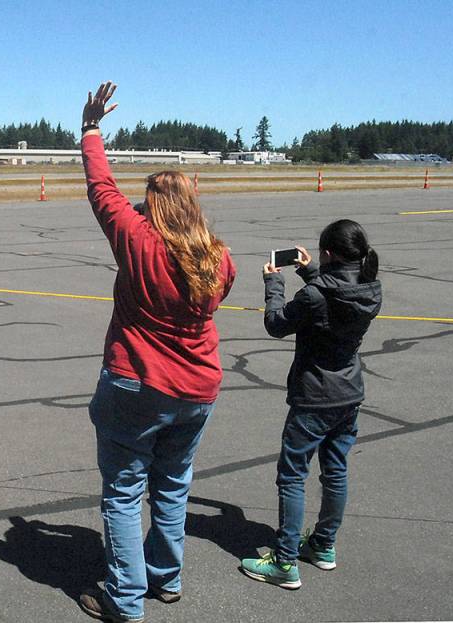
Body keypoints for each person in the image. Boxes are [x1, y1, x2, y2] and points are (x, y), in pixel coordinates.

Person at [75, 82, 237, 623]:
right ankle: (165, 578)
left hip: (137, 382)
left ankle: (124, 599)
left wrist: (91, 128)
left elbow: (102, 189)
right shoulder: (217, 256)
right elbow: (220, 292)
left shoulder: (139, 240)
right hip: (198, 388)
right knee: (172, 484)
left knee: (123, 491)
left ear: (153, 206)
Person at [240, 220, 382, 588]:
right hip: (349, 391)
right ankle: (323, 544)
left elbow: (277, 323)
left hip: (314, 396)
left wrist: (274, 283)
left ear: (330, 254)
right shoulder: (370, 286)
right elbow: (336, 294)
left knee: (292, 476)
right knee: (334, 471)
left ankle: (285, 561)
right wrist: (311, 271)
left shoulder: (317, 294)